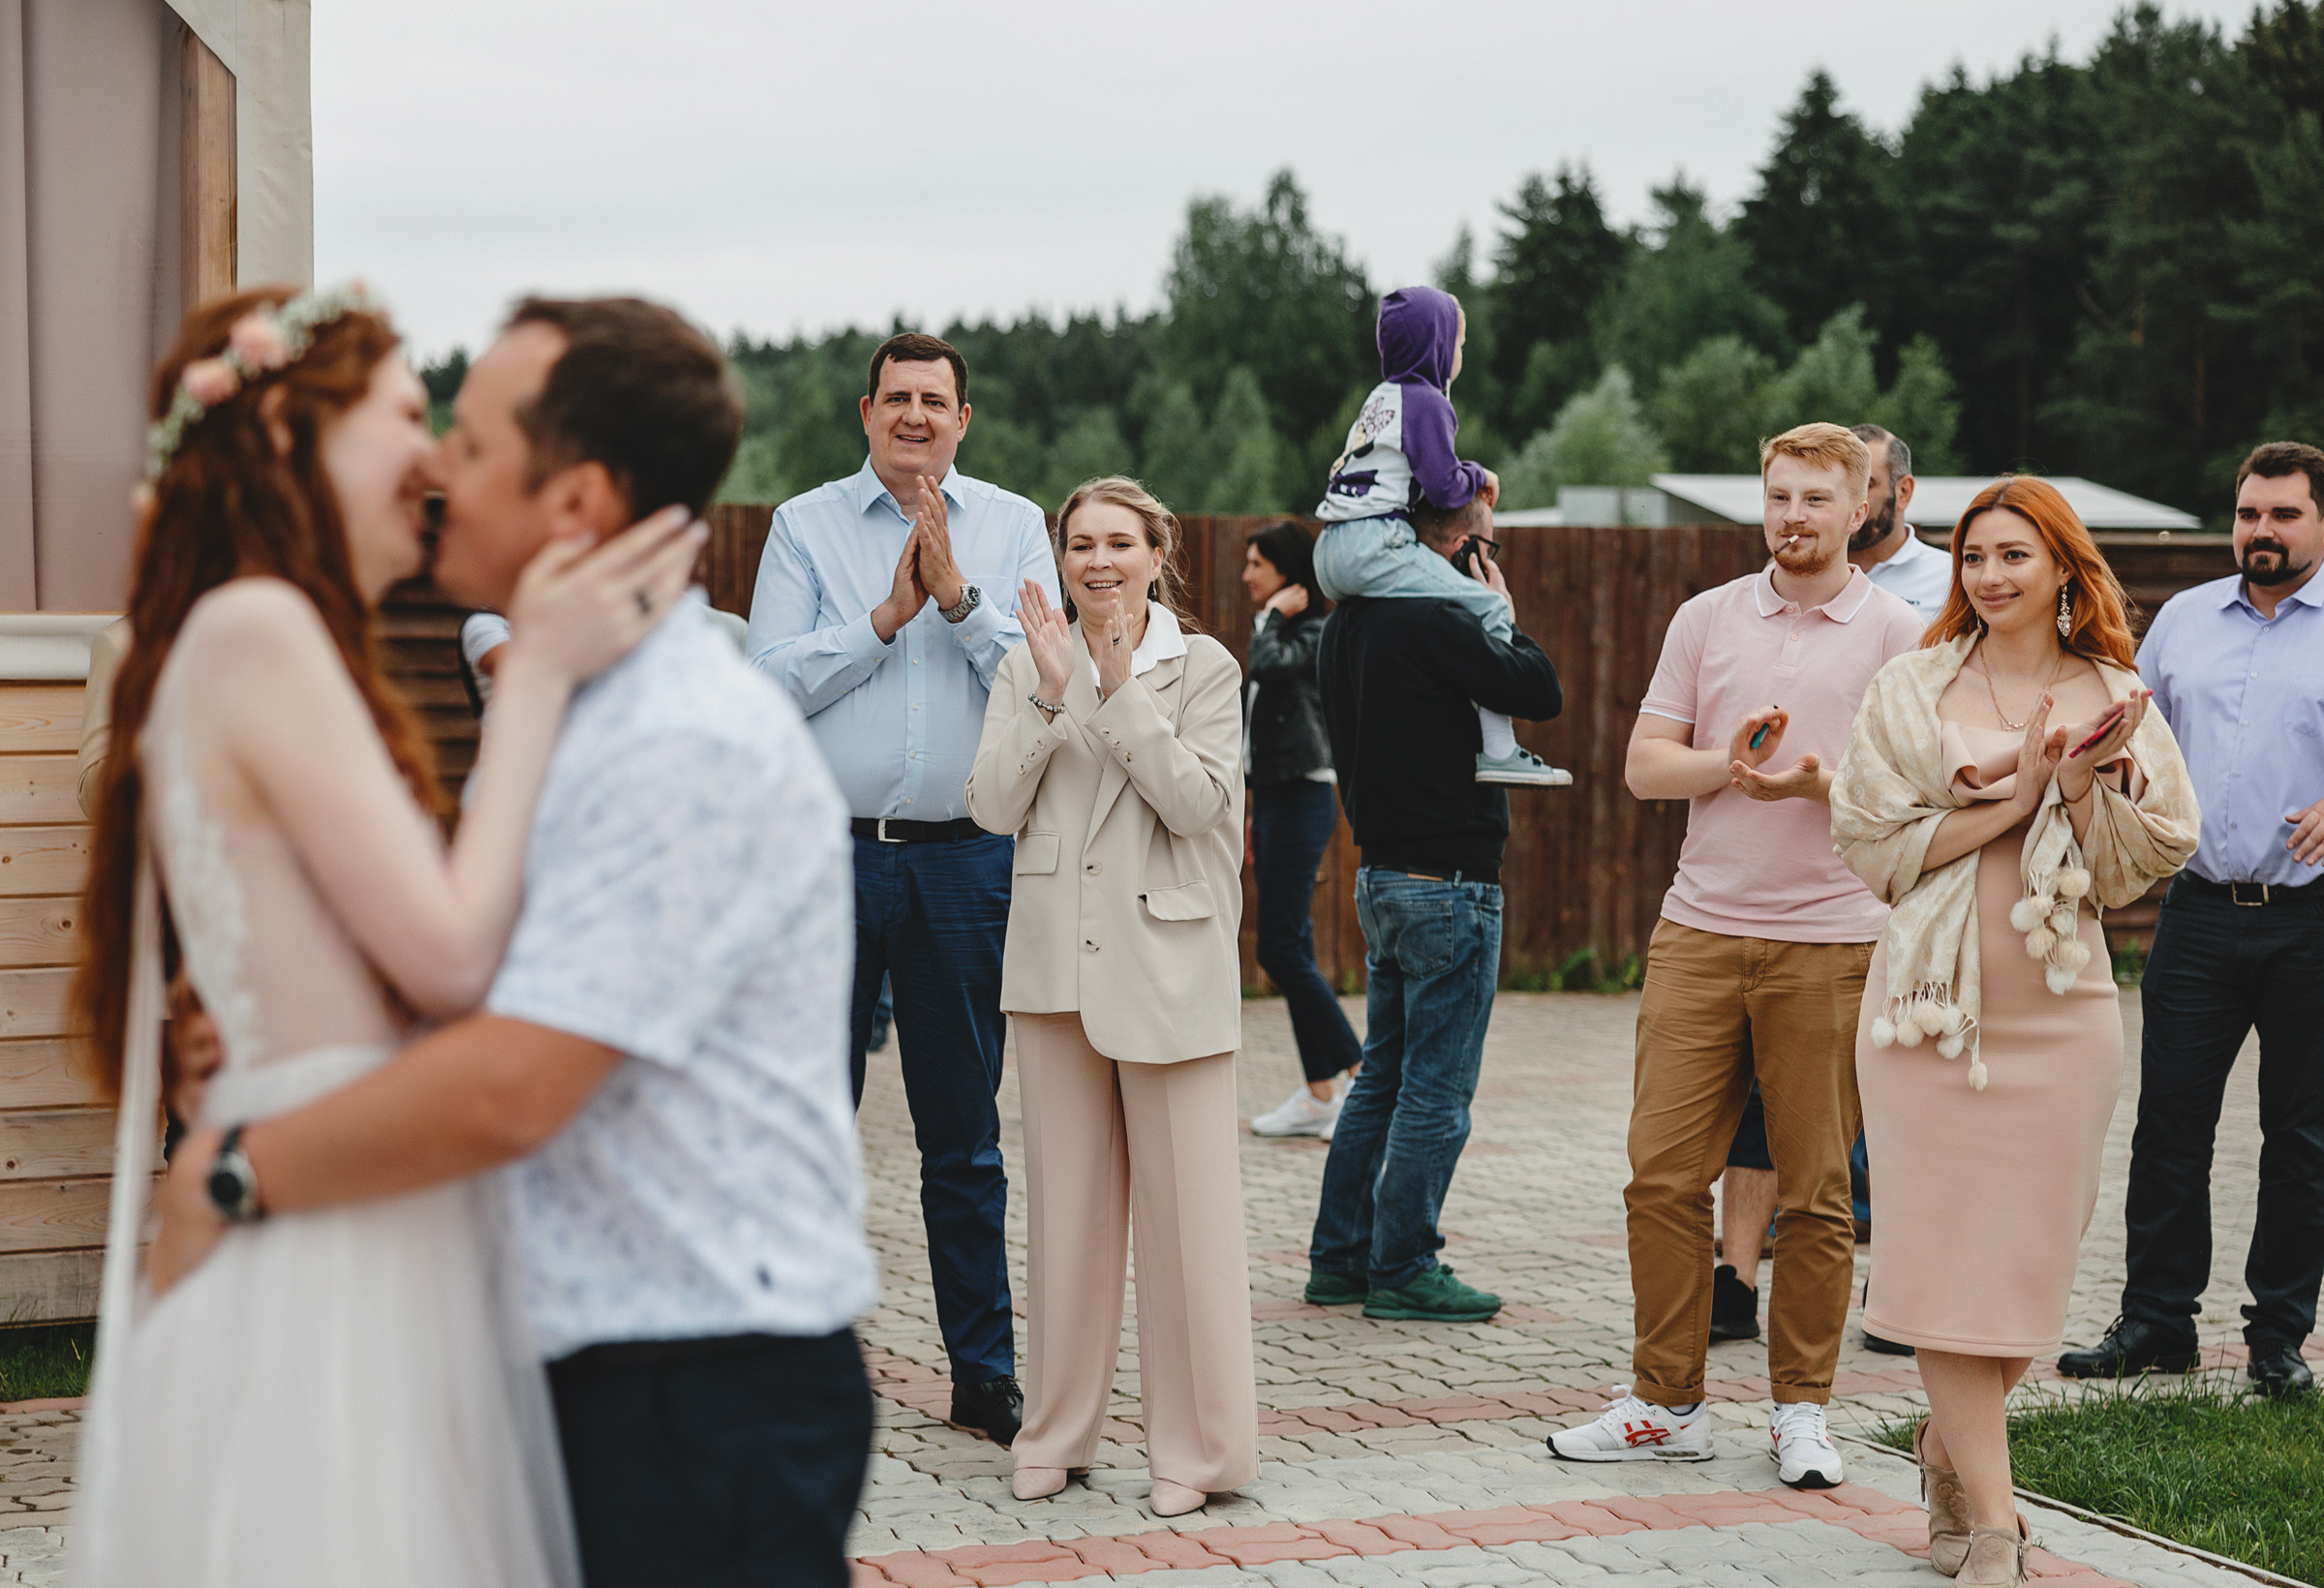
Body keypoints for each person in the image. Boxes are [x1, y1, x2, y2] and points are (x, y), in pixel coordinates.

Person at [143, 295, 879, 1588]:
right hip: (573, 1365)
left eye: (470, 443)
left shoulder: (682, 740)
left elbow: (512, 1085)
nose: (435, 467)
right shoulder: (565, 714)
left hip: (697, 1389)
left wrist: (235, 1168)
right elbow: (472, 973)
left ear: (576, 502)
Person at [70, 287, 703, 1588]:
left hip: (352, 1195)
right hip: (326, 1235)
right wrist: (529, 679)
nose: (430, 458)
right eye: (408, 413)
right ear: (300, 431)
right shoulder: (261, 629)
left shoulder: (268, 637)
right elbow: (455, 956)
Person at [1832, 475, 2197, 1587]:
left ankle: (1948, 1451)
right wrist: (2018, 789)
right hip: (1923, 1020)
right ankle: (1996, 1523)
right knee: (1947, 1264)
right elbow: (1873, 838)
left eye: (2013, 557)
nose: (1989, 576)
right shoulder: (1913, 683)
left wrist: (2084, 786)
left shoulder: (2115, 688)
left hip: (2063, 1012)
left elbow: (2153, 854)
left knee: (2023, 1270)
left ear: (2061, 569)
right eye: (1974, 557)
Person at [1548, 423, 1921, 1487]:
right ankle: (1667, 1400)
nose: (1794, 516)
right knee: (1661, 1176)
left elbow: (1912, 794)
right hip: (1698, 931)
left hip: (1835, 940)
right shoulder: (1706, 617)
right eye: (1779, 497)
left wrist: (1816, 785)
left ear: (1863, 508)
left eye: (1817, 498)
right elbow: (1641, 768)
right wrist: (1728, 760)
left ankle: (1802, 1409)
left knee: (1815, 1194)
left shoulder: (1899, 629)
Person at [746, 331, 1057, 1444]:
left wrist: (961, 599)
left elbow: (1040, 684)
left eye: (937, 399)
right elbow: (765, 683)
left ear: (964, 420)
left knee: (963, 1134)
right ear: (865, 411)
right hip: (826, 854)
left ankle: (984, 1369)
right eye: (898, 398)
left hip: (966, 859)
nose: (917, 415)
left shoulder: (1017, 527)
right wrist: (881, 622)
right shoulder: (804, 526)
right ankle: (790, 1362)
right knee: (807, 1117)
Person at [965, 476, 1256, 1518]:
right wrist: (1050, 696)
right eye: (1081, 542)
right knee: (1067, 1225)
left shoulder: (1206, 666)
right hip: (1054, 974)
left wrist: (1125, 686)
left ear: (1156, 554)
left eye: (1119, 543)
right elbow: (993, 805)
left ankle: (1200, 1450)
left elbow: (1197, 804)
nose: (1098, 560)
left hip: (1170, 968)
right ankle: (1057, 1432)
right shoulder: (1022, 663)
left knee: (1189, 1229)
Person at [2061, 441, 2324, 1403]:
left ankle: (2279, 1333)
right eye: (2249, 512)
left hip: (2313, 919)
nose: (2261, 530)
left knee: (2304, 1134)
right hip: (2201, 911)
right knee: (2171, 1120)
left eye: (2283, 514)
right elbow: (2138, 736)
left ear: (2319, 521)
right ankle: (2157, 1321)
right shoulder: (2181, 621)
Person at [1303, 495, 1563, 1323]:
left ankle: (1339, 1259)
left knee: (1381, 1073)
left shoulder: (1348, 621)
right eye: (1485, 545)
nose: (1488, 561)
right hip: (1449, 880)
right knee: (1436, 1090)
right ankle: (1405, 1264)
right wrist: (1502, 615)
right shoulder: (1439, 616)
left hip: (1380, 875)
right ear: (1456, 543)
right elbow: (1539, 688)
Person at [1310, 286, 1564, 787]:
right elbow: (1445, 487)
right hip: (1373, 541)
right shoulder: (1426, 402)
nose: (1460, 355)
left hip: (1331, 547)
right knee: (1487, 606)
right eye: (1460, 345)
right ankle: (1499, 749)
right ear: (1439, 346)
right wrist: (1481, 476)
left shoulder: (1378, 400)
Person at [1239, 521, 1363, 1139]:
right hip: (1275, 798)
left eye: (1256, 564)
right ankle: (1321, 1095)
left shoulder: (1313, 630)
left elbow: (1267, 668)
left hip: (1304, 795)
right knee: (1289, 944)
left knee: (1280, 948)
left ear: (1288, 574)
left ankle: (1361, 1076)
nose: (1246, 576)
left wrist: (1272, 620)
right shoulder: (1289, 629)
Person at [1848, 424, 1950, 619]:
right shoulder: (1800, 576)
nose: (1846, 499)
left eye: (1863, 485)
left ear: (1904, 491)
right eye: (1838, 486)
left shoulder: (1951, 579)